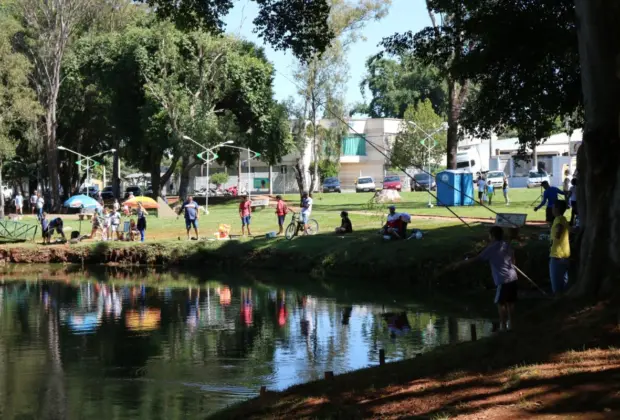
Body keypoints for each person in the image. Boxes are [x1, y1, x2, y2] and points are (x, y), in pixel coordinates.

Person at [452, 226, 518, 331]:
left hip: (503, 279)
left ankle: (504, 328)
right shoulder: (506, 245)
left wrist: (460, 264)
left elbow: (477, 259)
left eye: (489, 235)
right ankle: (513, 327)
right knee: (510, 303)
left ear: (492, 236)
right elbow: (513, 261)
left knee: (501, 303)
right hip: (513, 277)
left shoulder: (491, 249)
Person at [549, 200, 570, 295]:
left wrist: (557, 235)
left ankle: (557, 301)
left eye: (553, 207)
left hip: (557, 255)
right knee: (564, 283)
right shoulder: (564, 218)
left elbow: (559, 228)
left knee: (556, 285)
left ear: (557, 208)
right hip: (564, 255)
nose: (552, 209)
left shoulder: (559, 219)